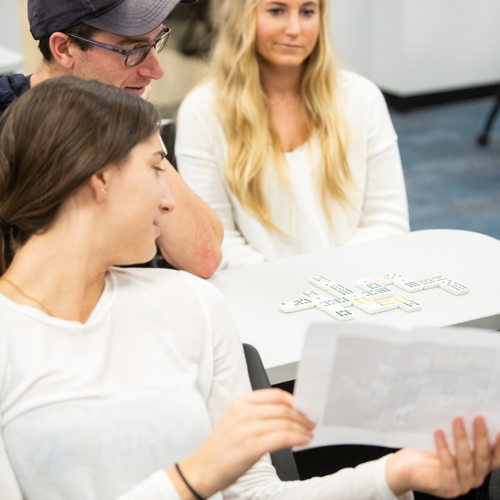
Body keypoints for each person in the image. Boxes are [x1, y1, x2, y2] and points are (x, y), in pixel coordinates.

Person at [0, 76, 499, 500]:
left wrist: (395, 472)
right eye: (156, 167)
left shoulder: (190, 304)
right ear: (98, 180)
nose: (170, 198)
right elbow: (203, 479)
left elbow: (257, 494)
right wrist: (191, 480)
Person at [175, 0, 410, 270]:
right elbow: (219, 240)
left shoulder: (362, 98)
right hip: (259, 291)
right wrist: (290, 286)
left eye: (308, 12)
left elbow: (388, 222)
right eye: (277, 11)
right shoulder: (203, 111)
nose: (295, 28)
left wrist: (336, 281)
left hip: (355, 283)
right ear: (242, 19)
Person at [0, 0, 223, 278]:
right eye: (133, 49)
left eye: (155, 43)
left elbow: (203, 255)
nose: (155, 70)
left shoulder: (122, 120)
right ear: (64, 48)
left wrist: (139, 131)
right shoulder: (8, 123)